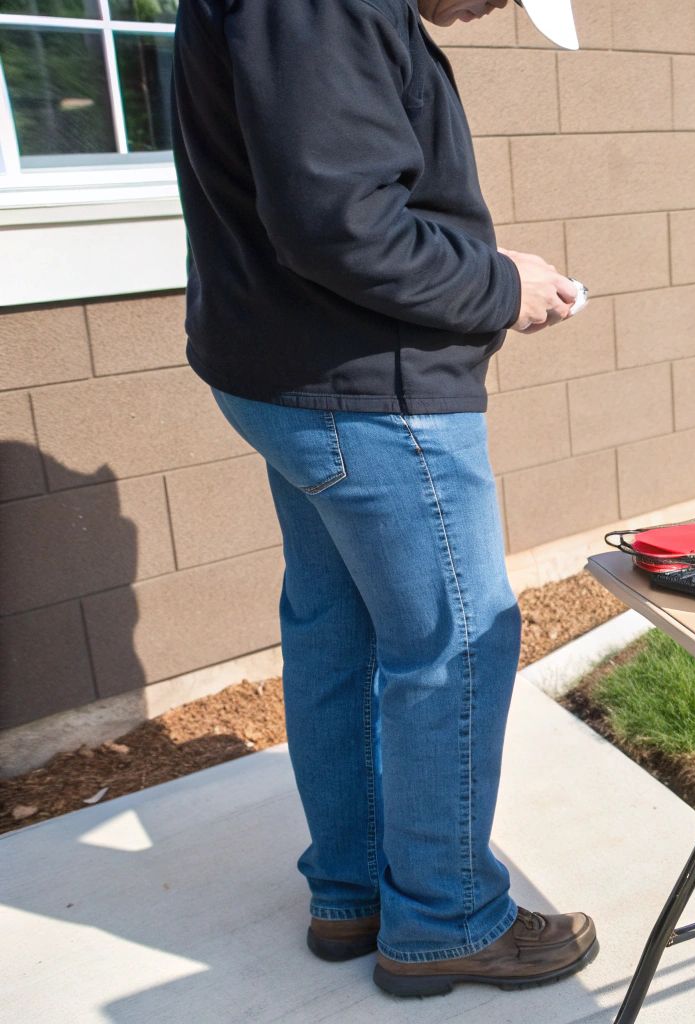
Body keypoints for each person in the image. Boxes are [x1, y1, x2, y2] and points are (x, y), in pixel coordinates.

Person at [171, 0, 594, 996]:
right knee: (452, 644)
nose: (489, 9)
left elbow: (329, 201)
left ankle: (353, 891)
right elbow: (341, 224)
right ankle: (444, 919)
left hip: (292, 374)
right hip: (365, 392)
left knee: (340, 628)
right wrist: (497, 284)